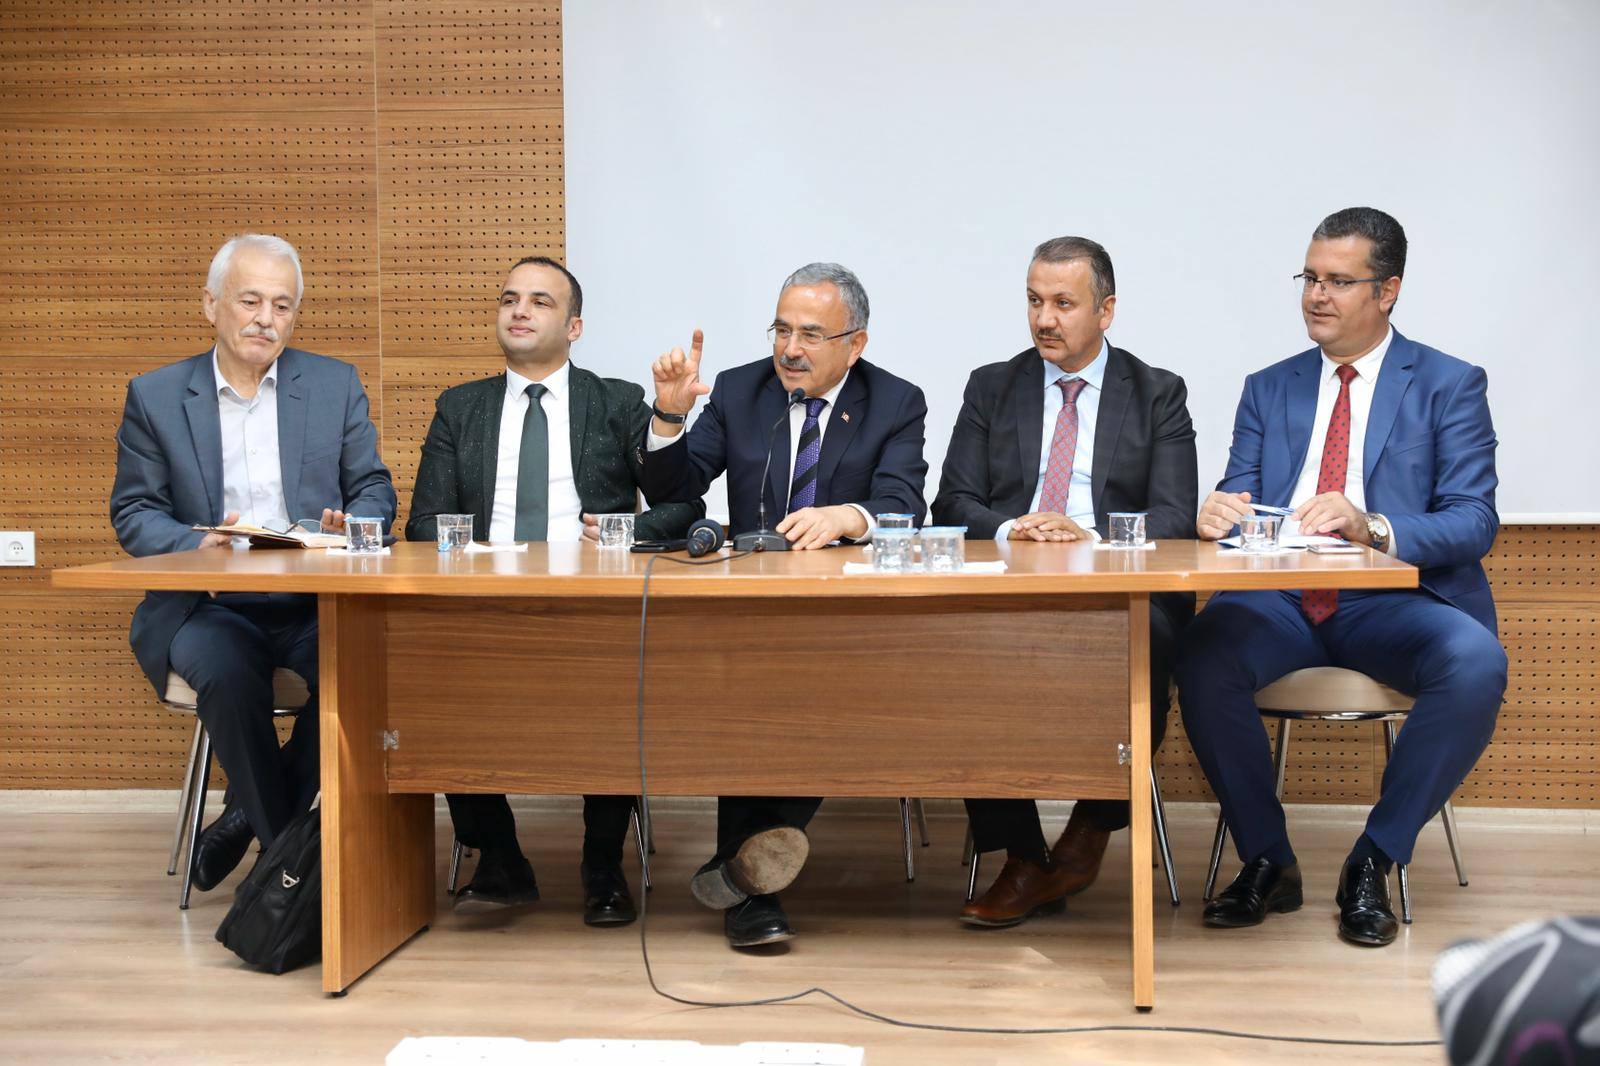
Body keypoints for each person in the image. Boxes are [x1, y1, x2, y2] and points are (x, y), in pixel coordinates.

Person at [1177, 207, 1506, 947]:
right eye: (1310, 278)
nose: (1316, 296)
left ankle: (1374, 859)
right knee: (1201, 654)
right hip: (1279, 597)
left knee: (1476, 662)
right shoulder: (1269, 386)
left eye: (1338, 281)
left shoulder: (1449, 383)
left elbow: (1473, 520)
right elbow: (1241, 494)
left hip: (1390, 600)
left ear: (1387, 291)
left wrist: (1373, 526)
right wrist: (1221, 511)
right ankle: (1268, 859)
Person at [406, 255, 702, 925]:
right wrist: (481, 557)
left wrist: (636, 507)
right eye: (509, 298)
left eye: (540, 301)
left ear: (574, 327)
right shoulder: (460, 407)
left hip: (592, 604)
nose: (519, 310)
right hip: (485, 605)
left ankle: (603, 863)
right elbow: (423, 524)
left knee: (616, 684)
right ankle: (500, 856)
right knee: (428, 683)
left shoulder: (616, 401)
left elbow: (682, 505)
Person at [640, 261, 928, 948]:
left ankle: (739, 876)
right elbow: (674, 487)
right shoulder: (741, 390)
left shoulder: (895, 401)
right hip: (753, 612)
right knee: (748, 700)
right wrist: (669, 416)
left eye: (810, 335)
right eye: (781, 330)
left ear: (854, 345)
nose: (789, 349)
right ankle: (754, 889)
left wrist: (846, 516)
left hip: (852, 615)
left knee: (827, 698)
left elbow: (903, 502)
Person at [110, 233, 397, 890]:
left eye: (282, 305)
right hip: (208, 606)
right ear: (211, 304)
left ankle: (249, 816)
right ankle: (286, 868)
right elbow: (135, 511)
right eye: (250, 301)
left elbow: (375, 489)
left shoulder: (332, 384)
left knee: (371, 675)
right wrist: (195, 545)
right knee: (229, 677)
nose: (266, 318)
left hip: (315, 601)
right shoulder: (156, 395)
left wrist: (357, 523)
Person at [931, 235, 1196, 926]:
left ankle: (1089, 830)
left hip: (1116, 585)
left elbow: (1175, 516)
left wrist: (1089, 536)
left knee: (1150, 638)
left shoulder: (1157, 392)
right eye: (1033, 301)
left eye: (1062, 303)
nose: (1043, 319)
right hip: (1008, 584)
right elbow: (951, 502)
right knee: (957, 652)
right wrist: (1015, 527)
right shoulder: (992, 386)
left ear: (1105, 310)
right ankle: (1023, 857)